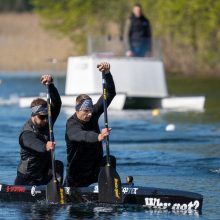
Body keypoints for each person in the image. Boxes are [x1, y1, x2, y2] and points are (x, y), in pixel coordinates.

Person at [64, 62, 116, 187]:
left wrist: (107, 74)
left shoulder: (93, 114)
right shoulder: (72, 124)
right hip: (76, 174)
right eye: (85, 111)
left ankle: (108, 187)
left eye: (91, 110)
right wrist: (98, 137)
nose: (89, 114)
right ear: (77, 110)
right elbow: (81, 135)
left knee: (110, 159)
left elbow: (109, 94)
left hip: (94, 169)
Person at [14, 74, 63, 186]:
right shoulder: (26, 133)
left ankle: (58, 190)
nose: (46, 120)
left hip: (44, 173)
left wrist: (50, 85)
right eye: (42, 117)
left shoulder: (47, 121)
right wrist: (45, 146)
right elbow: (32, 142)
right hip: (27, 178)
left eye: (47, 116)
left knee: (58, 165)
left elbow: (57, 103)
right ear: (34, 115)